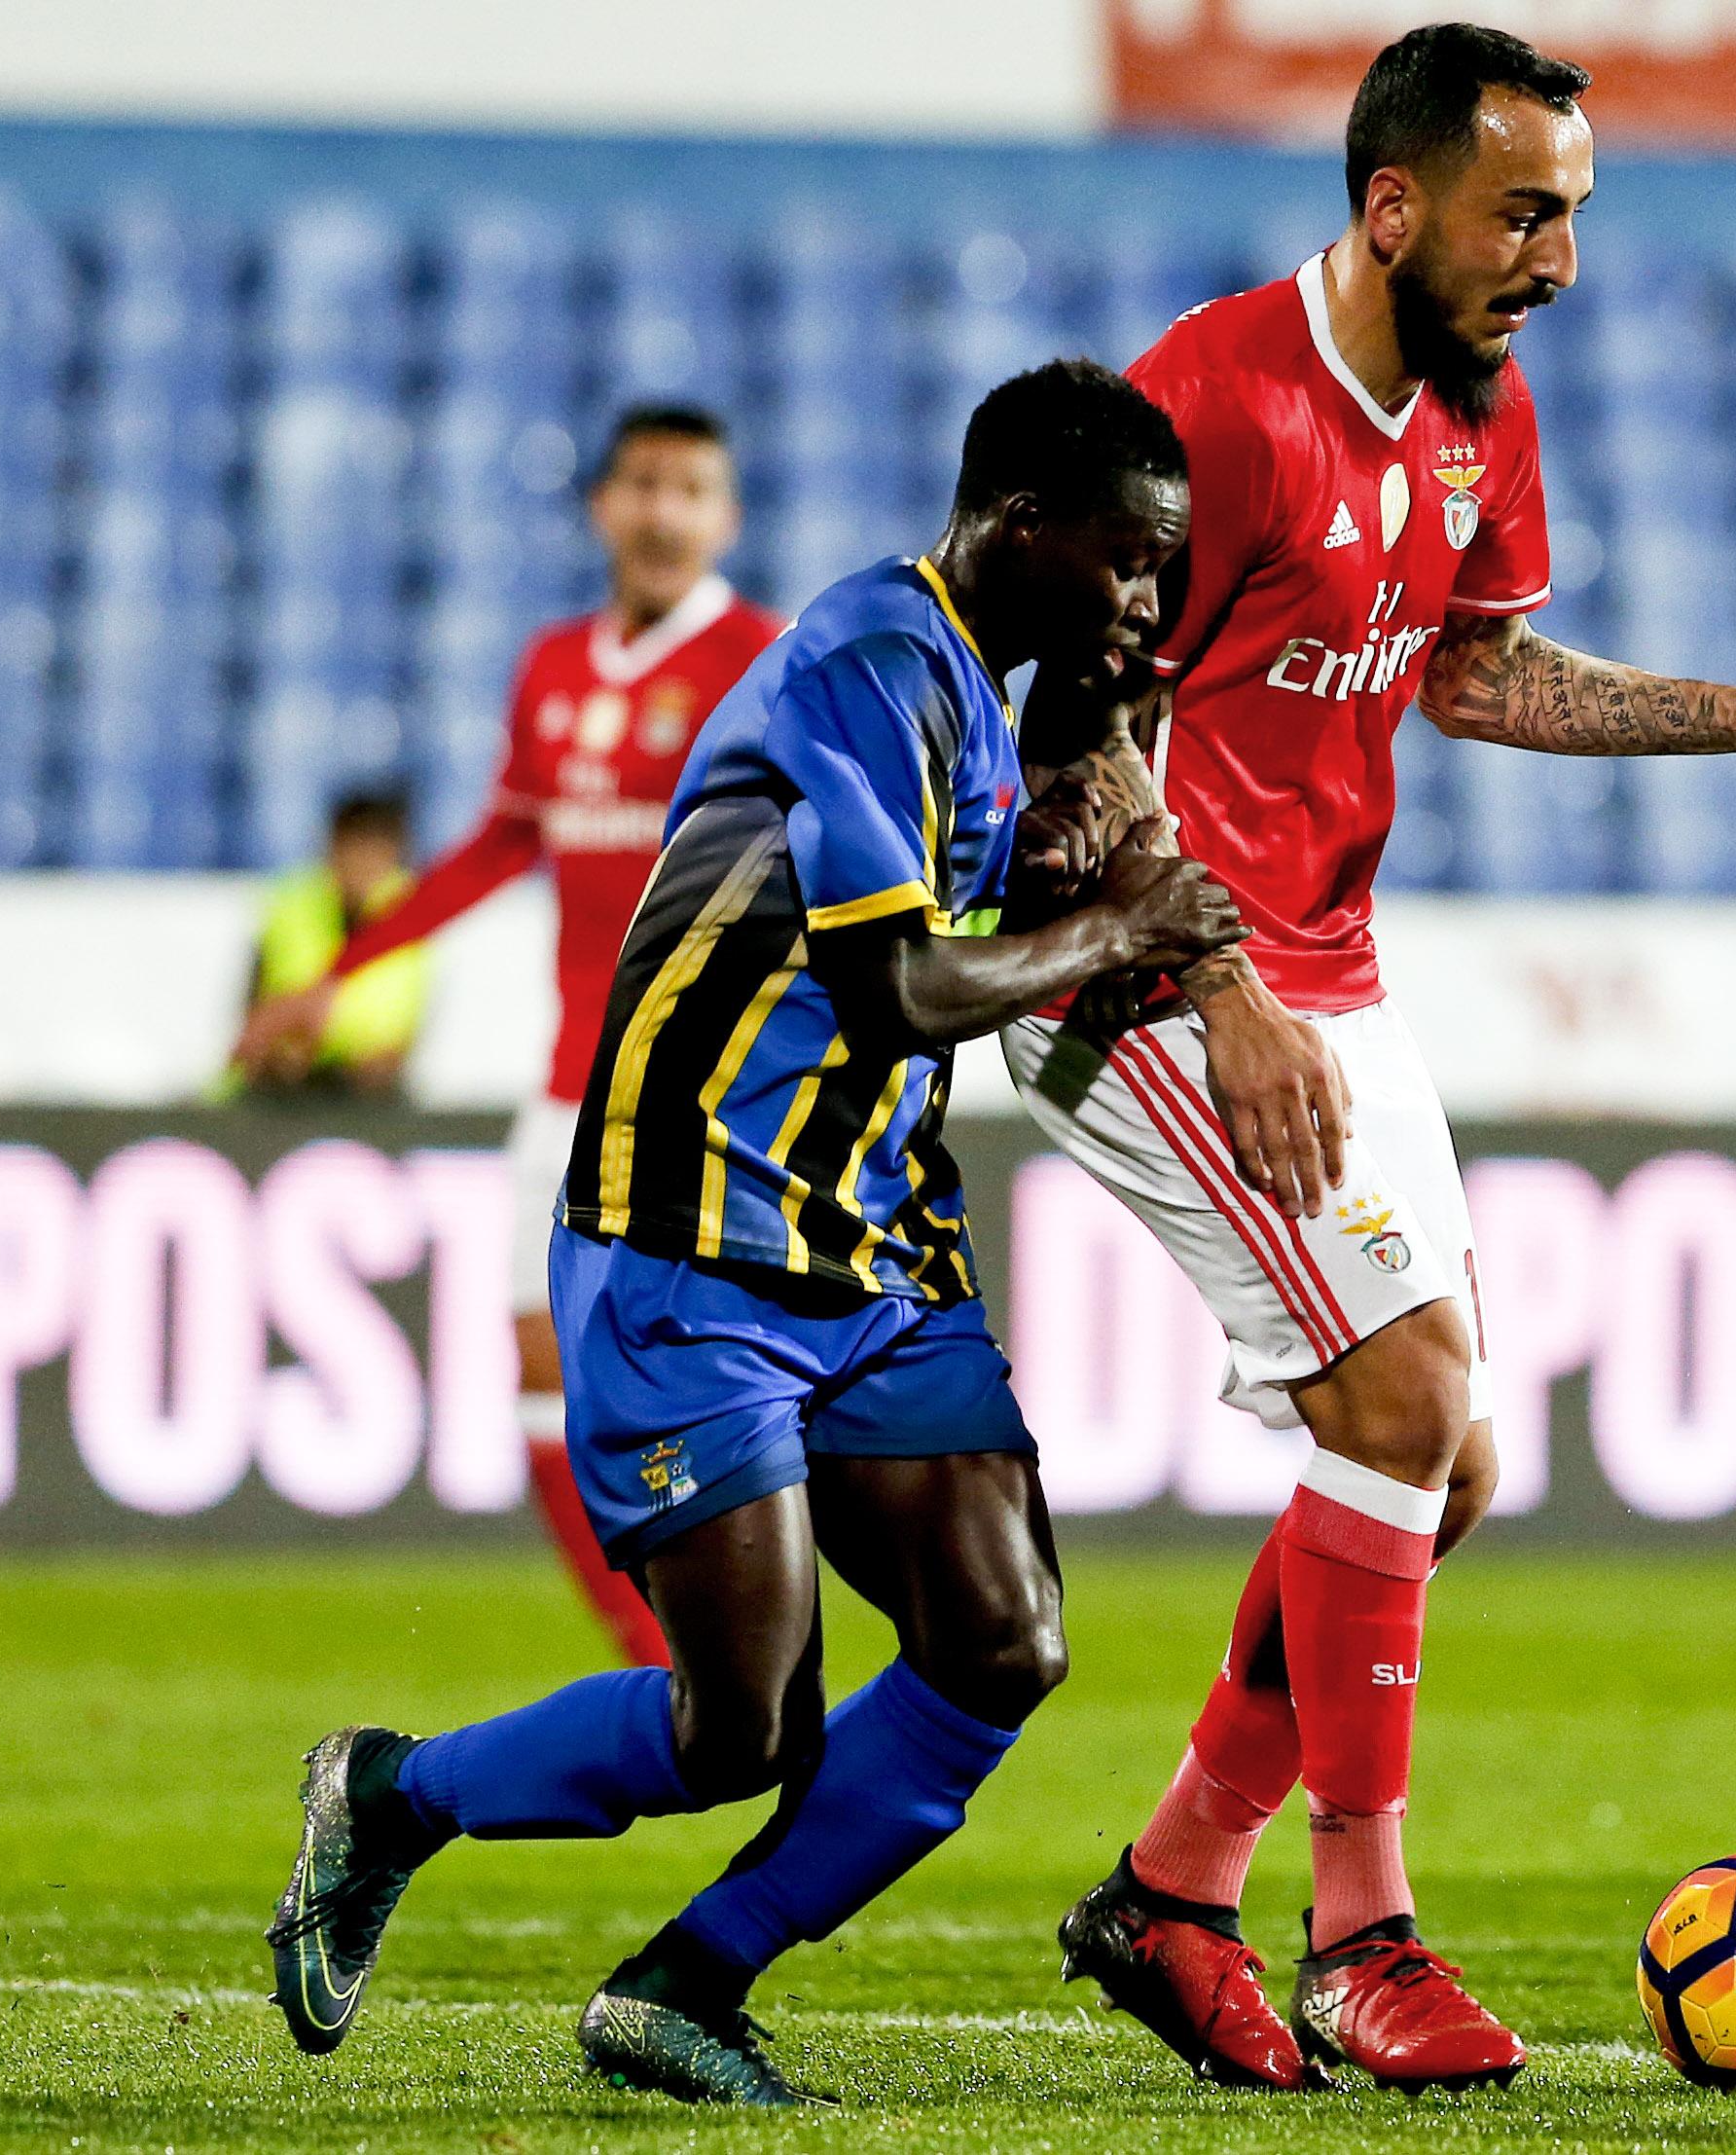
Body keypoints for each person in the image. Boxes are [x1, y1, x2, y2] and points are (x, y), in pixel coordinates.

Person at [1006, 22, 1736, 2094]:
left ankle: (1171, 1889)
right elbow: (1067, 727)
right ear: (1393, 205)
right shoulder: (1212, 401)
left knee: (1455, 1470)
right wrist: (1218, 985)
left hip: (1319, 966)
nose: (1561, 261)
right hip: (1135, 966)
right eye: (1527, 214)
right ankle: (1363, 1937)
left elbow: (1478, 670)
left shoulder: (1468, 414)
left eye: (1578, 216)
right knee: (1405, 1399)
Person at [265, 360, 1241, 2106]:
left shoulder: (974, 699)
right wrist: (1112, 921)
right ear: (1023, 528)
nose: (1149, 599)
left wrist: (1108, 766)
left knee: (1002, 1632)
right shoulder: (866, 662)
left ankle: (685, 1980)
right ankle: (387, 1791)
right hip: (689, 1231)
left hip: (871, 1244)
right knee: (743, 1727)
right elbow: (899, 986)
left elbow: (1003, 953)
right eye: (1132, 562)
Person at [235, 403, 783, 1670]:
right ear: (602, 506)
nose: (662, 510)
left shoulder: (761, 661)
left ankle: (741, 1646)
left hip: (710, 1088)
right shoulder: (553, 667)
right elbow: (502, 841)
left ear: (726, 518)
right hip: (572, 1085)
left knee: (705, 1376)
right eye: (642, 483)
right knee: (539, 1369)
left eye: (691, 488)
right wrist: (339, 972)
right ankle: (662, 1661)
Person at [224, 789, 430, 1098]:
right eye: (355, 848)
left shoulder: (413, 913)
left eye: (374, 851)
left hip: (368, 1093)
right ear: (332, 846)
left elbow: (401, 1030)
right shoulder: (290, 904)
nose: (363, 865)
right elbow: (255, 1011)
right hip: (284, 1086)